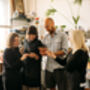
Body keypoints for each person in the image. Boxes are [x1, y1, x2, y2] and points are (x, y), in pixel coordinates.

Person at [41, 18, 68, 90]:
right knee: (50, 88)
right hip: (49, 68)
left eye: (47, 26)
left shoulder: (63, 35)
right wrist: (42, 52)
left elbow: (65, 51)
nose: (46, 29)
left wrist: (52, 54)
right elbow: (43, 50)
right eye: (45, 27)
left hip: (59, 68)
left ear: (53, 23)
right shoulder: (45, 37)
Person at [23, 25, 44, 90]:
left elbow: (40, 57)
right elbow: (24, 52)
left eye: (33, 35)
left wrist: (35, 56)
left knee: (34, 87)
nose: (31, 36)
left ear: (36, 35)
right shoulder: (25, 42)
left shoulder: (39, 43)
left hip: (34, 71)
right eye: (29, 34)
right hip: (26, 70)